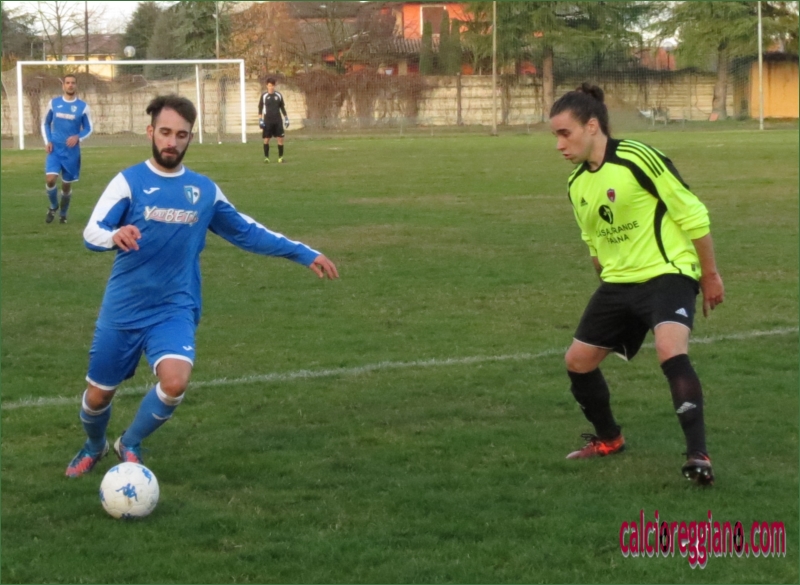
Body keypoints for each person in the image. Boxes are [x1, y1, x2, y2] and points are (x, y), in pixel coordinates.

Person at [66, 94, 338, 478]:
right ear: (150, 132)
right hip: (124, 307)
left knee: (175, 382)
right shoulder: (129, 182)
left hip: (175, 306)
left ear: (190, 138)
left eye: (181, 135)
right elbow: (91, 232)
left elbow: (247, 231)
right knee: (98, 396)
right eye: (165, 132)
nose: (171, 142)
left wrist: (303, 253)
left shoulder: (203, 190)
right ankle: (94, 445)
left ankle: (130, 442)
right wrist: (114, 235)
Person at [549, 83, 725, 486]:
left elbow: (693, 215)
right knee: (577, 362)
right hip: (619, 284)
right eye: (555, 135)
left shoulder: (637, 158)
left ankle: (698, 456)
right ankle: (609, 439)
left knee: (669, 350)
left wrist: (710, 274)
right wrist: (608, 289)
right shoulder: (577, 184)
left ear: (592, 126)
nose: (558, 145)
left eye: (564, 133)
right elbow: (594, 243)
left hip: (668, 272)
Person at [41, 73, 93, 224]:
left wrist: (78, 137)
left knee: (66, 185)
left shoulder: (83, 107)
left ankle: (63, 214)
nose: (70, 85)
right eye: (68, 83)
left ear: (76, 86)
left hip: (71, 152)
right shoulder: (54, 103)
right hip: (55, 150)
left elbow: (89, 128)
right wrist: (48, 141)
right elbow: (45, 123)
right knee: (50, 179)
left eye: (73, 83)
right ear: (63, 86)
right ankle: (53, 206)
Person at [257, 77, 289, 163]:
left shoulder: (278, 95)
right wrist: (260, 119)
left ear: (274, 86)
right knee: (266, 139)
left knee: (280, 139)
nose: (271, 87)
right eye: (269, 85)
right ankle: (266, 158)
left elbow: (282, 107)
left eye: (272, 85)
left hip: (278, 120)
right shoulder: (264, 96)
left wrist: (286, 118)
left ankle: (280, 158)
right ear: (267, 86)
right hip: (267, 121)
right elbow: (260, 108)